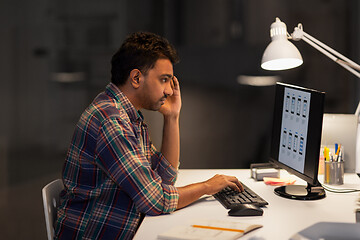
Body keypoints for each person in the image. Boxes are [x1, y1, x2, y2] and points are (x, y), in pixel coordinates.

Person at [54, 32, 243, 239]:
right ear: (136, 78)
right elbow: (156, 201)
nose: (170, 91)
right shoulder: (112, 121)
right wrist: (207, 187)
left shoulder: (128, 116)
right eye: (164, 80)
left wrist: (172, 118)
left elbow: (165, 179)